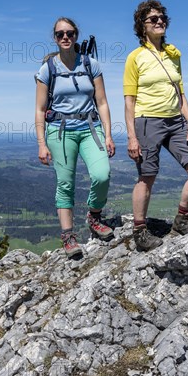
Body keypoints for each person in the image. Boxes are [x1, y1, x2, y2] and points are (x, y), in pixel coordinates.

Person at [123, 0, 188, 251]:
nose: (159, 21)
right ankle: (139, 231)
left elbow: (180, 93)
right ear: (142, 26)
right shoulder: (135, 58)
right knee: (147, 176)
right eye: (153, 19)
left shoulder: (173, 54)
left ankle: (182, 220)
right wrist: (131, 136)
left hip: (176, 121)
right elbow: (129, 101)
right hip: (147, 120)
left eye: (162, 18)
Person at [35, 17, 115, 259]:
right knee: (65, 183)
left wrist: (108, 134)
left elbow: (102, 102)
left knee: (102, 174)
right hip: (59, 130)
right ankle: (68, 236)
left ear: (76, 35)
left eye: (69, 33)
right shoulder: (47, 69)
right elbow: (39, 109)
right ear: (55, 38)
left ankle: (93, 215)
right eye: (60, 34)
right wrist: (41, 143)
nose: (65, 37)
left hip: (90, 127)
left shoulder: (91, 64)